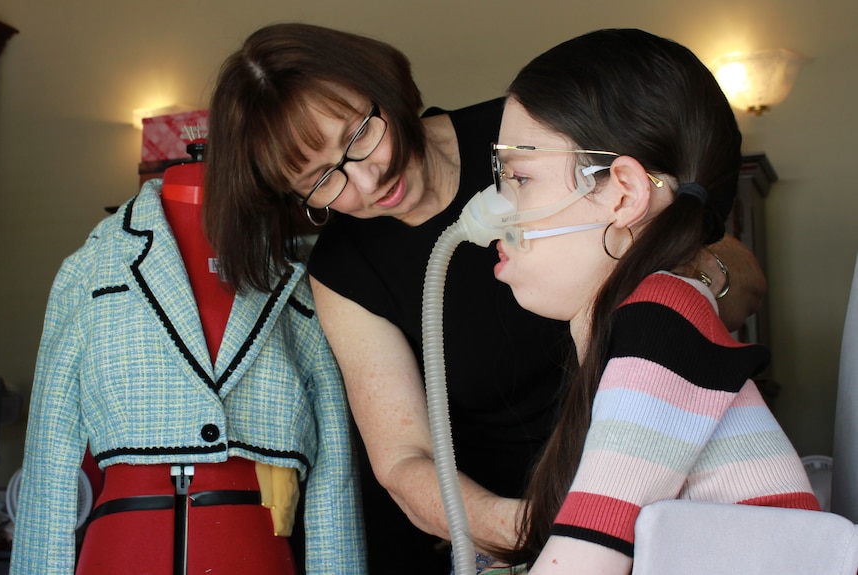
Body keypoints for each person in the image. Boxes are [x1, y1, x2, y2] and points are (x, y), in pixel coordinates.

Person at [203, 23, 766, 574]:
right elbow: (405, 461)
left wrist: (674, 274)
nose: (367, 181)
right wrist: (534, 531)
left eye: (358, 136)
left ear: (385, 88)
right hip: (522, 519)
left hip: (641, 467)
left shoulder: (531, 131)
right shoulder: (345, 269)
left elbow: (731, 268)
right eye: (323, 179)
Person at [483, 29, 820, 574]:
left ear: (623, 191)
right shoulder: (650, 322)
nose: (498, 207)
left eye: (520, 177)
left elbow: (582, 564)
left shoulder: (663, 322)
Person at [9, 140, 365, 575]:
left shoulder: (295, 282)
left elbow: (334, 474)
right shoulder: (95, 269)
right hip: (122, 552)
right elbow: (50, 454)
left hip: (253, 552)